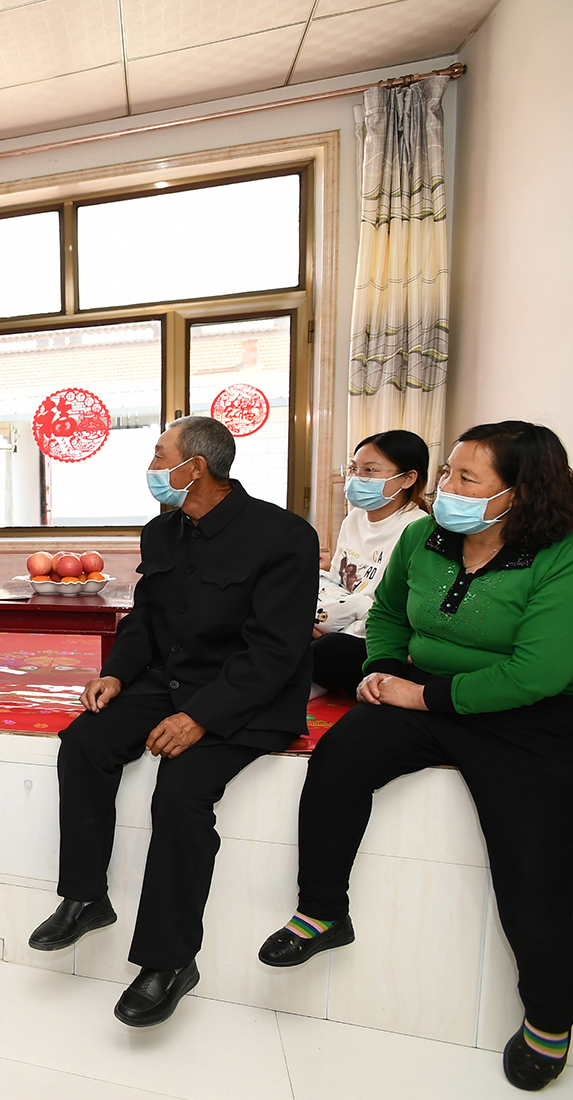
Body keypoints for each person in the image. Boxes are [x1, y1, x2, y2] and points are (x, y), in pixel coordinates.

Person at [258, 421, 573, 1093]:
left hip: (524, 716)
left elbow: (538, 673)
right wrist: (381, 669)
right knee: (338, 759)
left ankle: (550, 1014)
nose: (445, 487)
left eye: (467, 478)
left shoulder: (560, 555)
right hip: (422, 692)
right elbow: (389, 615)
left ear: (521, 492)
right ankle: (323, 911)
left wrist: (420, 697)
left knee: (531, 862)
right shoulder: (424, 538)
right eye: (448, 472)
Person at [29, 415, 318, 1026]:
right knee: (84, 742)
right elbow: (145, 619)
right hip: (170, 681)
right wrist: (116, 672)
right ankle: (85, 896)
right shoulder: (162, 530)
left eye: (161, 456)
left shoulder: (284, 536)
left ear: (196, 467)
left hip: (247, 697)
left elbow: (275, 652)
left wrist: (200, 719)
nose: (153, 468)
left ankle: (169, 960)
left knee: (181, 790)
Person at [313, 430, 430, 696]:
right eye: (353, 468)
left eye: (369, 470)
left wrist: (331, 631)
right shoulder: (354, 518)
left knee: (328, 651)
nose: (356, 478)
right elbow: (339, 584)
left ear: (408, 478)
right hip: (336, 623)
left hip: (375, 639)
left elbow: (401, 614)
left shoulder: (417, 530)